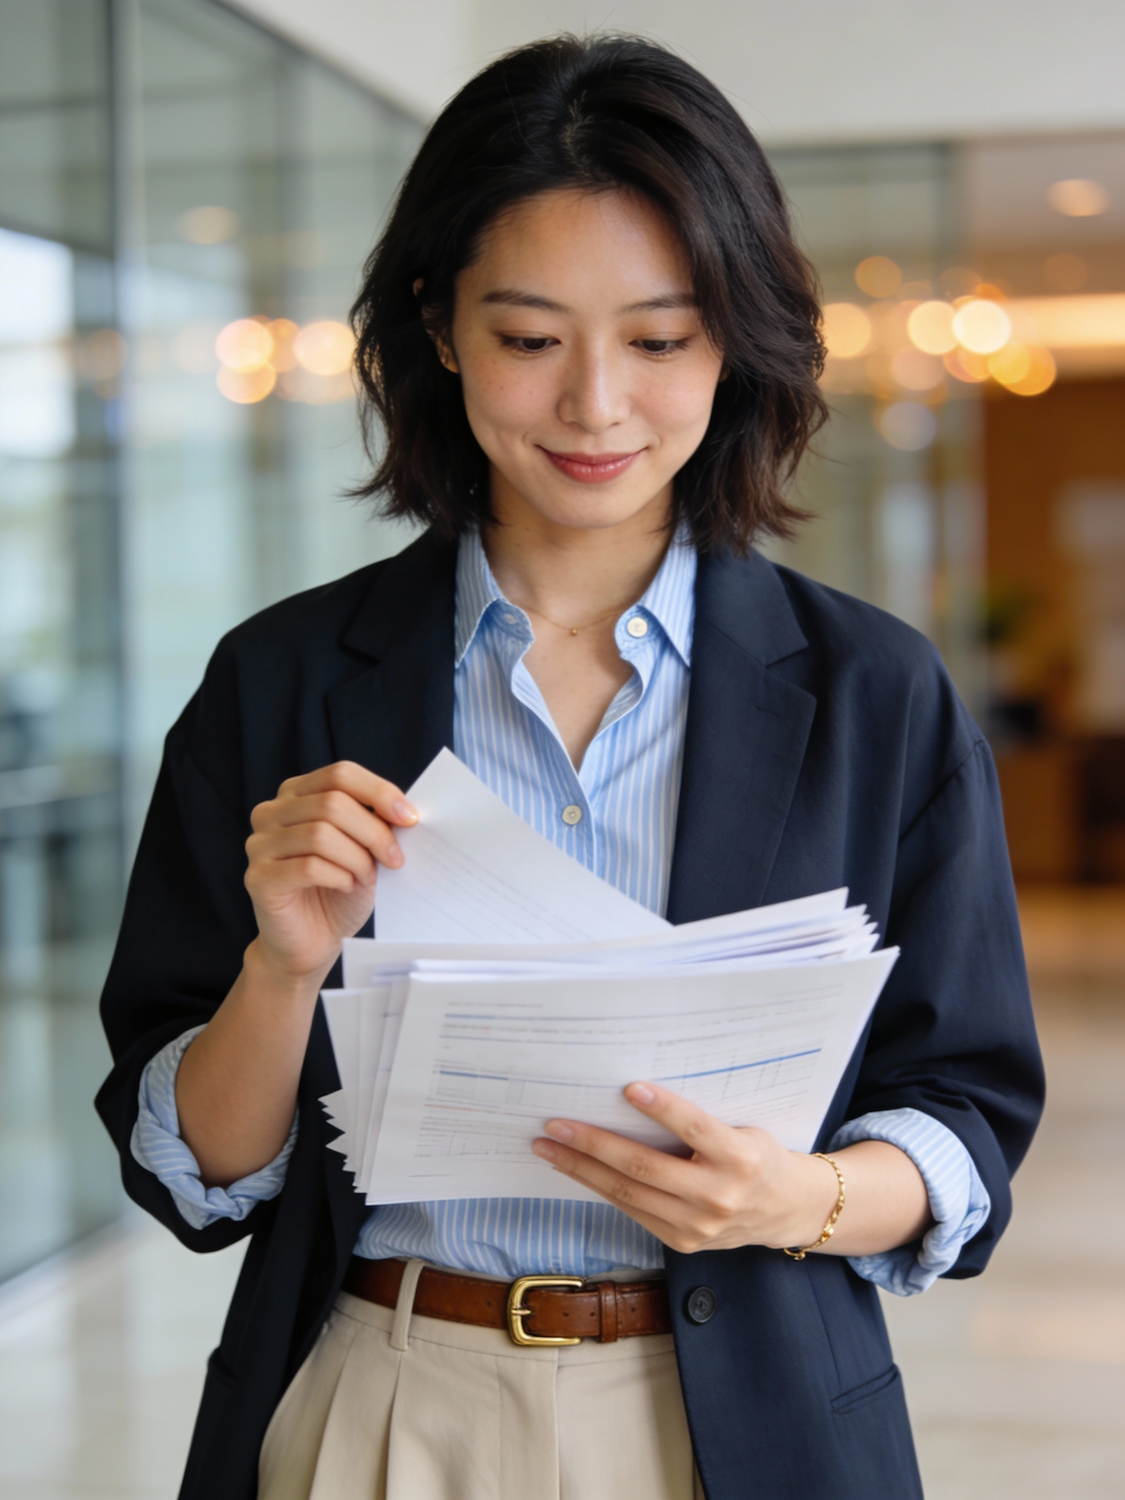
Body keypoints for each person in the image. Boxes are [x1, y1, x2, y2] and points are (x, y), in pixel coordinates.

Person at [96, 33, 1043, 1500]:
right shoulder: (279, 682)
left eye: (659, 340)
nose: (597, 406)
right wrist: (279, 973)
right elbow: (193, 1174)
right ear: (440, 327)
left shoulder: (877, 692)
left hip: (754, 1414)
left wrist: (801, 1196)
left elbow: (967, 1109)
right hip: (387, 1406)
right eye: (532, 338)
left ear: (738, 342)